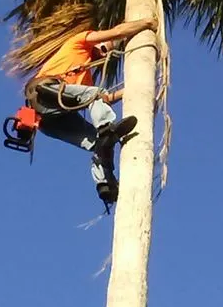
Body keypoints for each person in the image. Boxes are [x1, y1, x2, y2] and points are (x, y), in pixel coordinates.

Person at [26, 17, 157, 206]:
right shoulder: (79, 41)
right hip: (45, 92)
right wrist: (147, 24)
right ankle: (106, 127)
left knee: (99, 142)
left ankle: (106, 186)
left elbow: (103, 99)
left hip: (49, 120)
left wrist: (134, 89)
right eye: (106, 46)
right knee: (96, 101)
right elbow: (119, 32)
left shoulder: (86, 79)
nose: (105, 52)